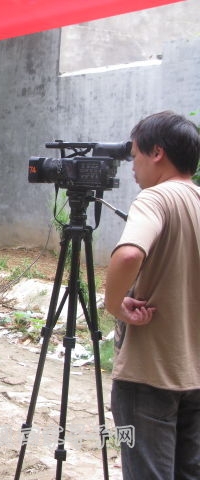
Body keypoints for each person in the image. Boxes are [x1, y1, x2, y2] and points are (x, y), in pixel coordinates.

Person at [104, 111, 200, 479]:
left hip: (149, 375)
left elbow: (129, 253)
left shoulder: (155, 198)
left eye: (135, 155)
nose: (132, 166)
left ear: (157, 152)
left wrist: (116, 306)